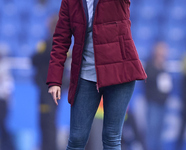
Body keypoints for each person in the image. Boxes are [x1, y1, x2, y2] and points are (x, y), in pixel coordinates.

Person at [46, 0, 147, 149]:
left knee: (112, 137)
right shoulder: (70, 2)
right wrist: (55, 80)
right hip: (85, 75)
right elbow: (61, 39)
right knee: (76, 138)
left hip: (119, 73)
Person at [32, 15, 70, 150]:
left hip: (48, 89)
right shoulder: (63, 43)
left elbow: (34, 58)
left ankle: (49, 147)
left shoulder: (51, 43)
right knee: (48, 121)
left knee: (47, 121)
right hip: (53, 88)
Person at [144, 42, 172, 150]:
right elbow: (149, 81)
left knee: (160, 131)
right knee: (152, 131)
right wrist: (158, 67)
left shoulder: (165, 65)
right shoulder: (150, 65)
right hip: (153, 102)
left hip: (163, 102)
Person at [0, 45, 15, 150]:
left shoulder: (4, 68)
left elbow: (8, 88)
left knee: (3, 125)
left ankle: (8, 146)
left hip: (2, 101)